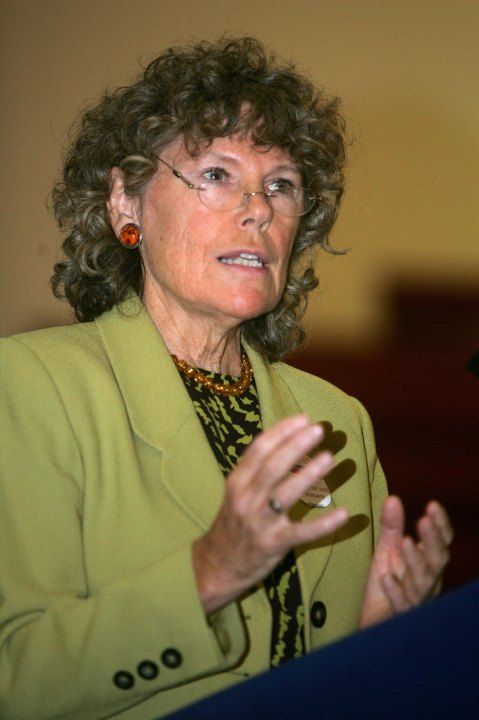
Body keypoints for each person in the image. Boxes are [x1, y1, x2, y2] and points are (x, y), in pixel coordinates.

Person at [0, 37, 452, 720]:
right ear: (125, 202)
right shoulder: (34, 386)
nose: (258, 208)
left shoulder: (336, 422)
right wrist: (206, 576)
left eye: (281, 185)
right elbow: (15, 676)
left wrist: (379, 639)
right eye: (216, 174)